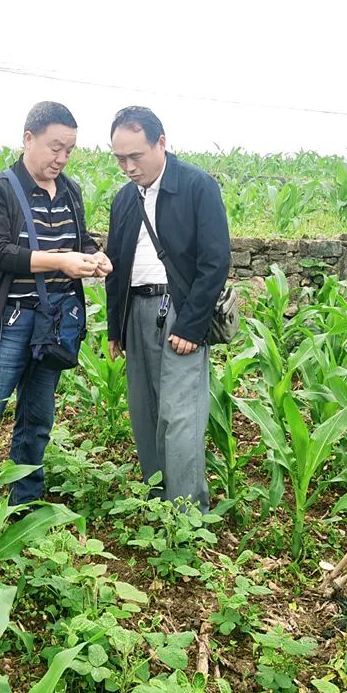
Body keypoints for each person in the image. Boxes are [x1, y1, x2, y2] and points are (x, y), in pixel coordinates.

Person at [0, 101, 112, 505]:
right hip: (8, 322)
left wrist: (94, 255)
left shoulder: (70, 190)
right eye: (55, 147)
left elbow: (79, 240)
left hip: (55, 322)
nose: (62, 158)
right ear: (28, 139)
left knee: (37, 419)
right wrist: (60, 262)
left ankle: (24, 503)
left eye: (70, 150)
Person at [104, 106, 231, 511]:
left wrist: (192, 327)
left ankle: (188, 512)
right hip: (135, 312)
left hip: (179, 311)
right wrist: (114, 329)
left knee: (180, 416)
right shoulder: (125, 200)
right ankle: (157, 499)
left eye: (135, 156)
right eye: (119, 158)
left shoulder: (197, 186)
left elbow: (216, 262)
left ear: (161, 143)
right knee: (145, 412)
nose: (127, 166)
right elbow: (117, 265)